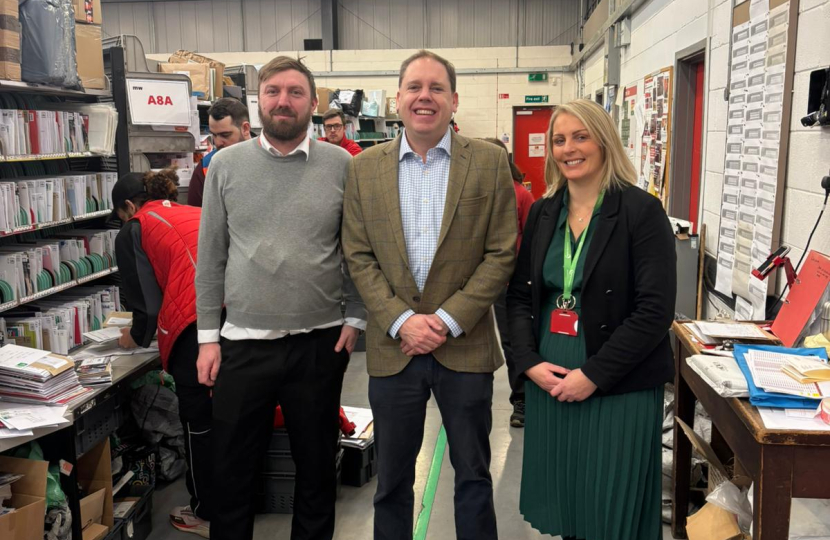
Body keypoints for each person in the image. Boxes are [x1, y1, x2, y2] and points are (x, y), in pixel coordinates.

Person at [342, 50, 517, 540]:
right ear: (398, 98)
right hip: (393, 347)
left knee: (474, 477)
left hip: (465, 345)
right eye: (414, 87)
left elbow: (502, 251)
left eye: (436, 88)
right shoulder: (364, 169)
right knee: (392, 481)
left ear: (454, 99)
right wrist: (402, 321)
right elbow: (358, 255)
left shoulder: (487, 162)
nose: (425, 96)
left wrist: (444, 320)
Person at [195, 56, 365, 540]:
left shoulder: (341, 165)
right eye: (273, 91)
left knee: (315, 473)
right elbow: (210, 257)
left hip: (319, 345)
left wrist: (355, 316)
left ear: (313, 103)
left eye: (294, 92)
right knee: (233, 474)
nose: (283, 101)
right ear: (258, 101)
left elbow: (355, 249)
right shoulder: (224, 165)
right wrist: (209, 338)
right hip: (243, 346)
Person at [506, 99, 676, 540]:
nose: (569, 149)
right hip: (551, 378)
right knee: (568, 501)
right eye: (559, 140)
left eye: (580, 137)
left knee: (609, 508)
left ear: (604, 142)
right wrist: (527, 362)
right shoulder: (545, 211)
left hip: (616, 382)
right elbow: (521, 295)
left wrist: (594, 375)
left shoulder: (640, 211)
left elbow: (654, 311)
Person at [112, 170, 210, 538]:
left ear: (127, 206)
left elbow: (148, 306)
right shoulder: (190, 212)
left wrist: (134, 337)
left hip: (195, 327)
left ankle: (206, 513)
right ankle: (239, 502)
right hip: (240, 320)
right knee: (234, 415)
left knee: (199, 422)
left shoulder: (135, 227)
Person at [483, 137, 535, 427]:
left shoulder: (520, 195)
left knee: (512, 342)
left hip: (508, 285)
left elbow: (531, 241)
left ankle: (522, 400)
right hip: (475, 284)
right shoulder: (475, 191)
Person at [187, 97, 252, 207]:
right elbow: (195, 217)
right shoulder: (205, 168)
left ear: (245, 129)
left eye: (225, 135)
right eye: (214, 135)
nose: (218, 142)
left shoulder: (269, 160)